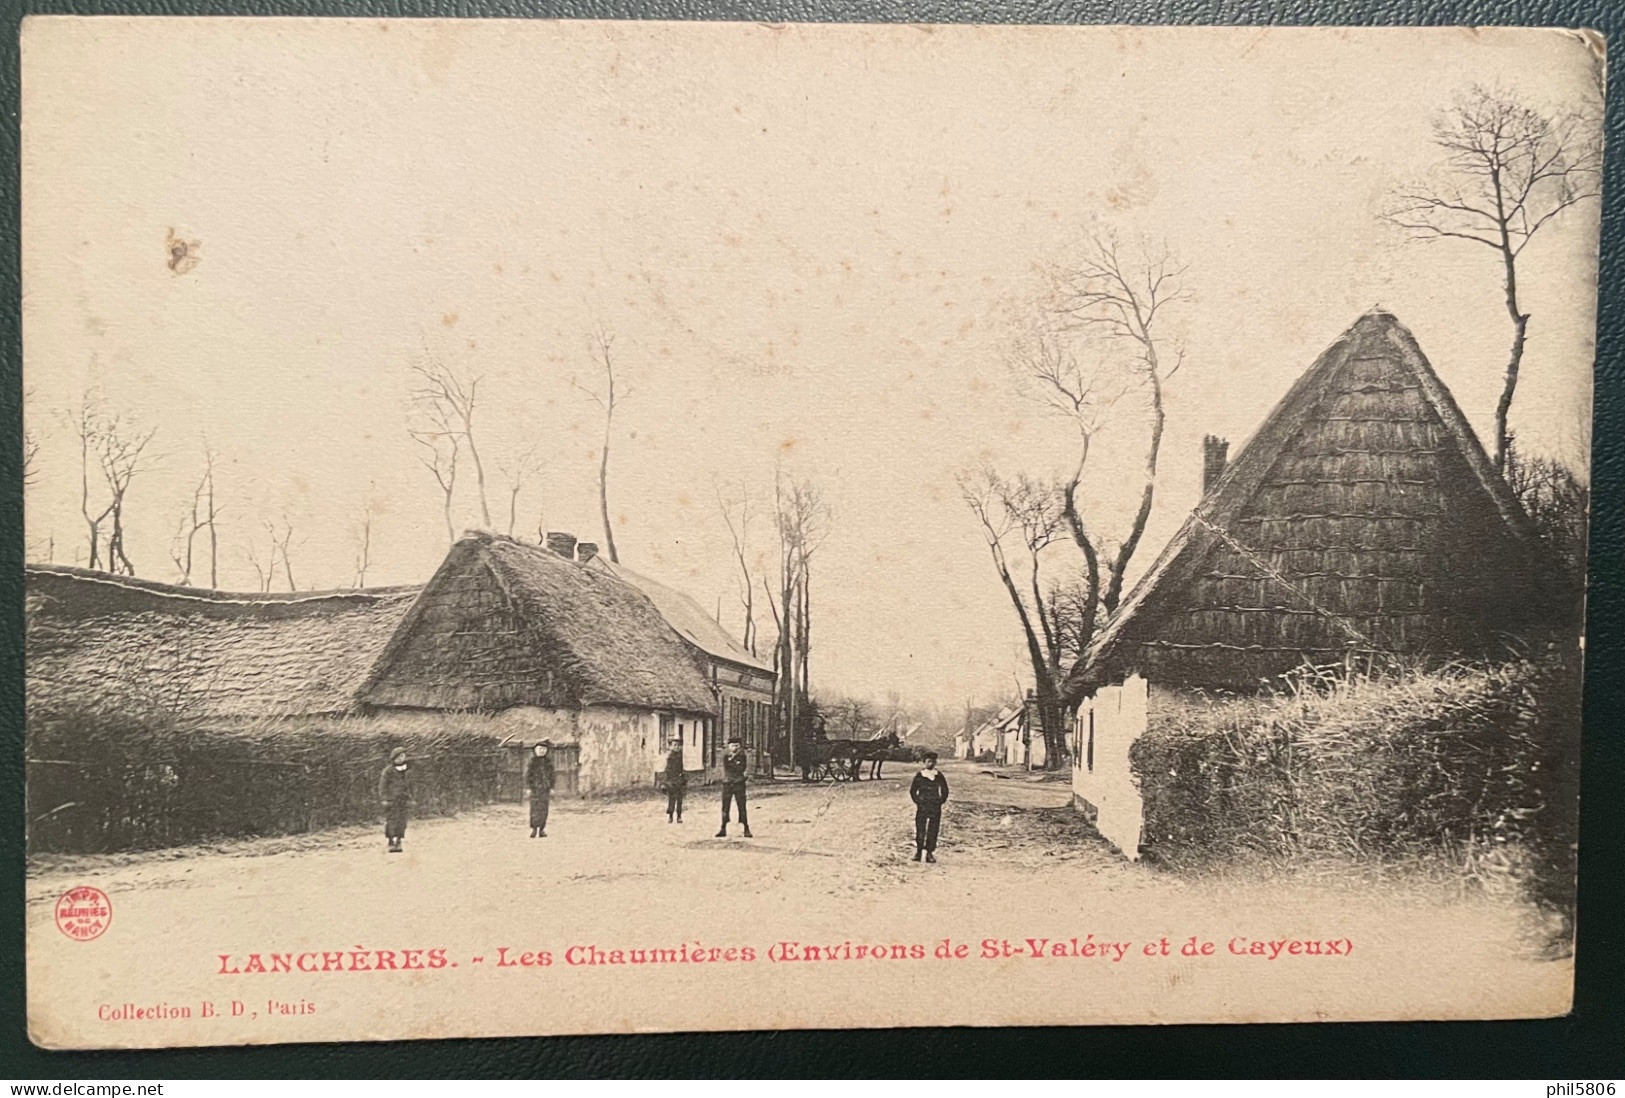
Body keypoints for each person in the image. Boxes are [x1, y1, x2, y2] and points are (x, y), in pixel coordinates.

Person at [909, 751, 949, 863]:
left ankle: (930, 853)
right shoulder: (920, 775)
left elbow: (945, 790)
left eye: (933, 762)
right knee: (920, 828)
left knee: (933, 829)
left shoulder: (938, 775)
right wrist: (918, 801)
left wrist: (941, 800)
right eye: (929, 761)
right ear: (924, 762)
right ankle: (918, 852)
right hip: (922, 806)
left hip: (935, 806)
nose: (931, 764)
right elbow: (913, 790)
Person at [716, 737, 752, 838]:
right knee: (725, 807)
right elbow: (726, 767)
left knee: (742, 806)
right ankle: (723, 828)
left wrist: (735, 764)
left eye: (737, 745)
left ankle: (746, 828)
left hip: (739, 783)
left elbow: (742, 768)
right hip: (727, 783)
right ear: (728, 746)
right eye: (732, 745)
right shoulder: (725, 756)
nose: (735, 747)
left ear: (740, 746)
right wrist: (734, 763)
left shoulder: (742, 756)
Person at [379, 747, 412, 853]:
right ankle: (390, 841)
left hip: (404, 799)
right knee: (391, 820)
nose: (401, 759)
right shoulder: (388, 771)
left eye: (403, 756)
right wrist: (384, 798)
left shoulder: (408, 770)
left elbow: (411, 785)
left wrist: (411, 797)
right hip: (391, 800)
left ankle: (399, 841)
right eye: (399, 757)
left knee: (402, 821)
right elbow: (382, 786)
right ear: (394, 758)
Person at [525, 741, 555, 838]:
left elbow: (552, 776)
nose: (542, 751)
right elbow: (528, 776)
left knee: (544, 809)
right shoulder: (532, 762)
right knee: (534, 808)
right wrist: (529, 788)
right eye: (540, 749)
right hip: (535, 788)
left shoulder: (548, 762)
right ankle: (534, 829)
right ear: (535, 750)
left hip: (545, 789)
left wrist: (551, 787)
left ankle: (542, 829)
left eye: (544, 749)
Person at [663, 733, 687, 823]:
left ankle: (679, 816)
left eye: (678, 745)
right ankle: (670, 816)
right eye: (675, 745)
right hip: (671, 780)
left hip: (679, 780)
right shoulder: (669, 757)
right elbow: (666, 770)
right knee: (671, 798)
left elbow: (682, 768)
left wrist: (683, 777)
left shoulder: (681, 756)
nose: (677, 747)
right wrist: (666, 781)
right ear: (671, 746)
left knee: (680, 799)